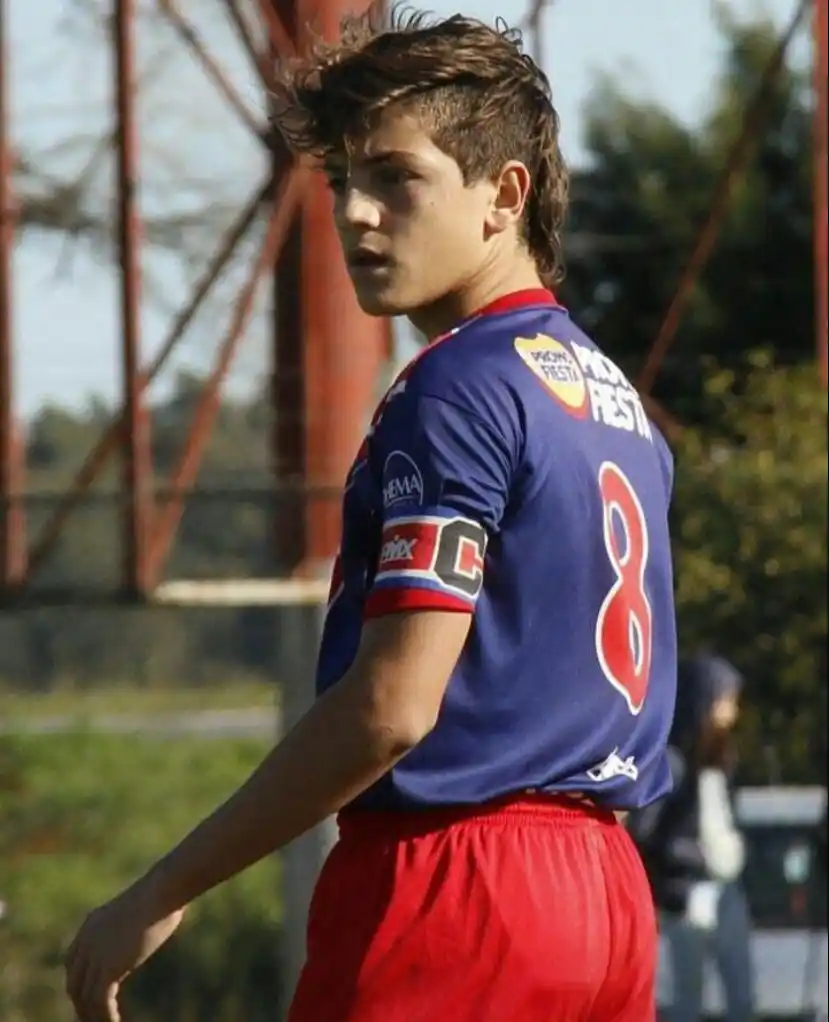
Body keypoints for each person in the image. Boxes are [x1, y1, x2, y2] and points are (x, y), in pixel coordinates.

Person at [64, 8, 678, 1022]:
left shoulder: (456, 389)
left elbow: (392, 706)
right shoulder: (615, 401)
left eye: (397, 178)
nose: (355, 211)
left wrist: (159, 889)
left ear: (504, 195)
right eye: (344, 179)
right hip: (606, 892)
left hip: (457, 885)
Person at [629, 653, 755, 1022]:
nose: (733, 710)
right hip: (686, 893)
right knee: (688, 996)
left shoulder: (724, 758)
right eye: (727, 699)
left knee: (741, 993)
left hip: (728, 889)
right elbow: (645, 829)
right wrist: (677, 868)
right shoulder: (674, 761)